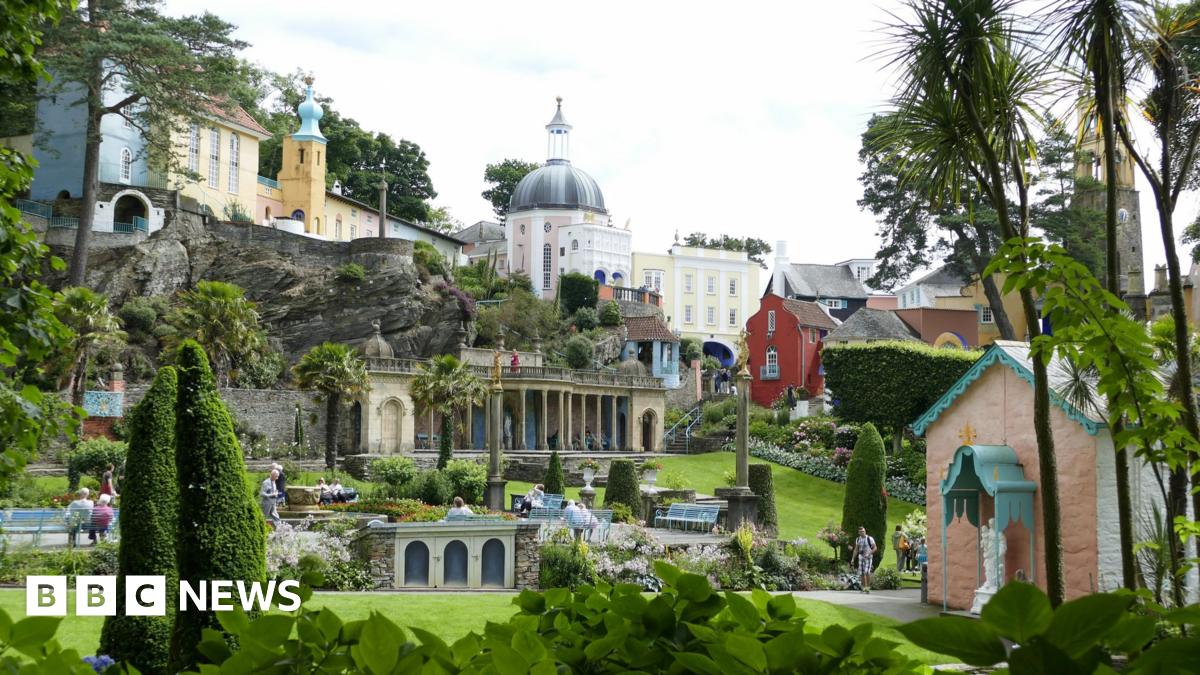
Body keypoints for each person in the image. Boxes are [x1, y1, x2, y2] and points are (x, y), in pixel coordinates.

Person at [850, 525, 877, 593]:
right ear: (859, 533)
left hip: (868, 558)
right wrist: (853, 559)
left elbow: (875, 548)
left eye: (863, 531)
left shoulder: (869, 538)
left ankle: (867, 588)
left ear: (865, 531)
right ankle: (864, 587)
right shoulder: (858, 539)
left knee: (867, 572)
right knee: (862, 573)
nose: (862, 532)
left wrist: (869, 553)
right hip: (861, 557)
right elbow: (856, 549)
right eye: (861, 532)